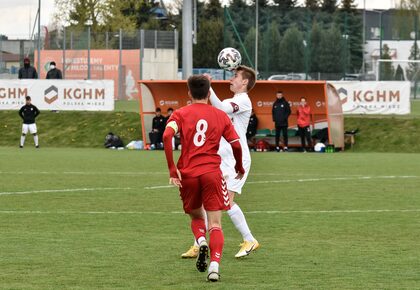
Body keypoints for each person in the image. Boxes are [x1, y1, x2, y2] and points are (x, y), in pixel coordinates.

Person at [163, 75, 245, 282]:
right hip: (212, 174)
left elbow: (166, 136)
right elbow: (236, 144)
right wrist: (239, 166)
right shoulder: (220, 115)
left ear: (189, 93)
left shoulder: (180, 114)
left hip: (188, 174)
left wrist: (173, 168)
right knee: (215, 224)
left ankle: (201, 241)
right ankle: (214, 267)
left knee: (196, 217)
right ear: (209, 93)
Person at [181, 66, 259, 259]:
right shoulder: (230, 101)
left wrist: (209, 86)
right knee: (211, 202)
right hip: (222, 159)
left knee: (225, 202)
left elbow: (222, 109)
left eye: (235, 76)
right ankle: (199, 244)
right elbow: (219, 109)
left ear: (245, 82)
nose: (231, 79)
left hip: (236, 159)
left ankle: (250, 239)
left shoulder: (244, 100)